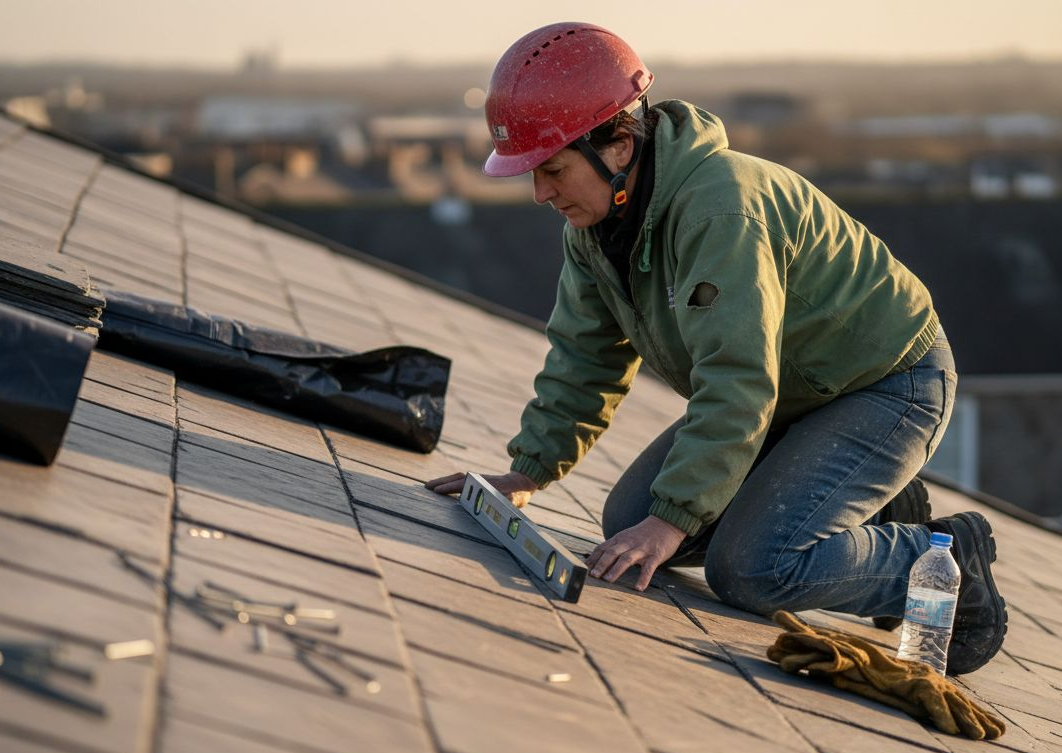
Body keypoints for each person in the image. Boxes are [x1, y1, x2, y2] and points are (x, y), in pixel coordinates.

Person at [425, 22, 1006, 674]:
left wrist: (674, 519)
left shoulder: (718, 210)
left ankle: (940, 556)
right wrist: (528, 470)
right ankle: (864, 502)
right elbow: (585, 356)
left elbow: (736, 378)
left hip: (886, 384)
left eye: (553, 169)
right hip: (793, 393)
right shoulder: (594, 229)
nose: (541, 193)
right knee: (629, 521)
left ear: (618, 145)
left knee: (753, 568)